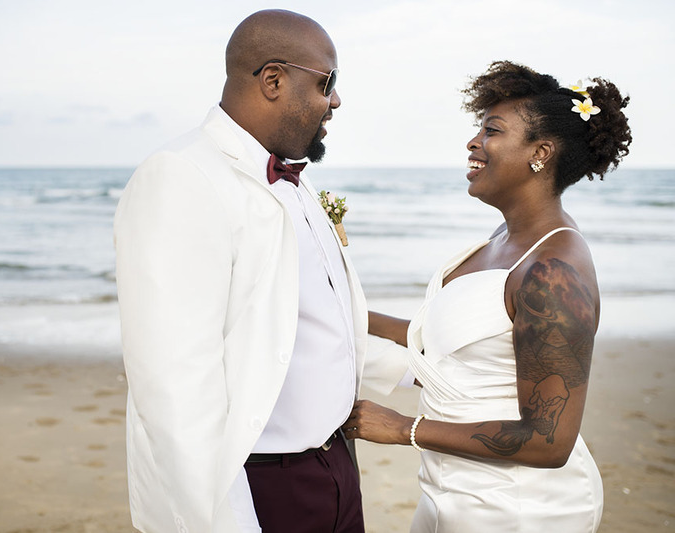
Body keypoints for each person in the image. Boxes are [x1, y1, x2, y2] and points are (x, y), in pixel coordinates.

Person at [114, 10, 412, 533]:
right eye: (327, 83)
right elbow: (173, 383)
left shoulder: (292, 182)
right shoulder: (182, 176)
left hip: (336, 466)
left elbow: (319, 322)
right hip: (258, 485)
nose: (336, 100)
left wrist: (432, 365)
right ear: (274, 80)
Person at [342, 60, 632, 532]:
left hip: (517, 508)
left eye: (491, 131)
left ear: (540, 152)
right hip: (449, 491)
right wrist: (336, 312)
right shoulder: (502, 237)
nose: (474, 143)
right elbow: (434, 339)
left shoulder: (553, 272)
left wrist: (402, 429)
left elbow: (549, 441)